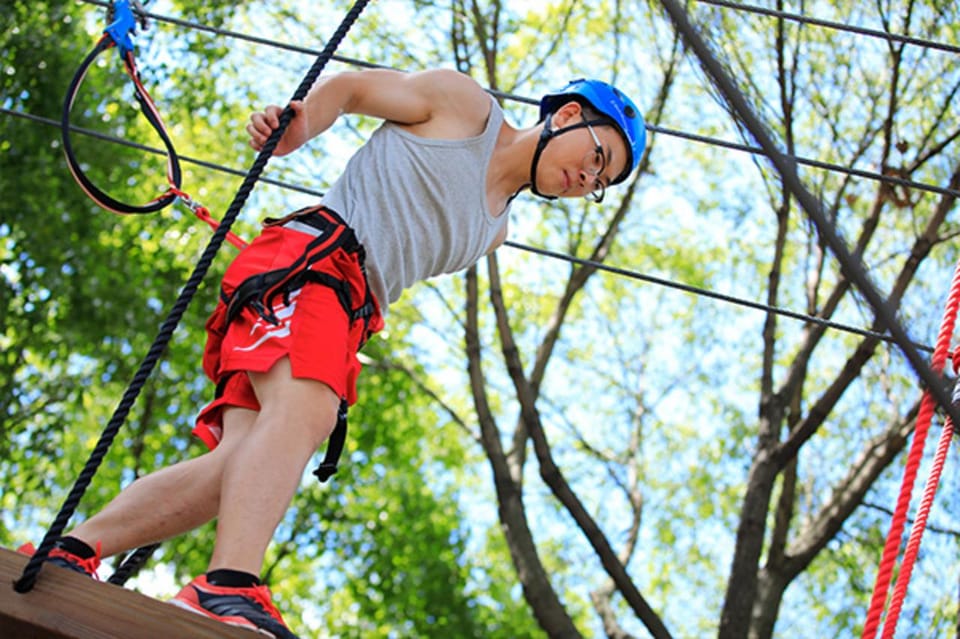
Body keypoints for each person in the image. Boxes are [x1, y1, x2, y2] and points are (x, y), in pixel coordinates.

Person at [34, 68, 646, 638]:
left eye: (601, 183)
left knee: (240, 466)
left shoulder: (495, 231)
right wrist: (301, 126)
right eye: (598, 157)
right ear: (568, 115)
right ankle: (227, 586)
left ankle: (72, 550)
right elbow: (353, 89)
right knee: (306, 412)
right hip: (312, 265)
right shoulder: (465, 108)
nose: (588, 179)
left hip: (344, 309)